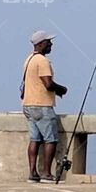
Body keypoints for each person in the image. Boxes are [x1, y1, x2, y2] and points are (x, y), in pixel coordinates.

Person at [21, 31, 65, 182]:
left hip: (28, 104)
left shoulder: (29, 59)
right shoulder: (42, 61)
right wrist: (62, 89)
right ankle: (46, 173)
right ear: (40, 44)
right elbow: (48, 84)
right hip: (42, 105)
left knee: (35, 140)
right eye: (48, 42)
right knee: (50, 139)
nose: (51, 44)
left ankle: (33, 173)